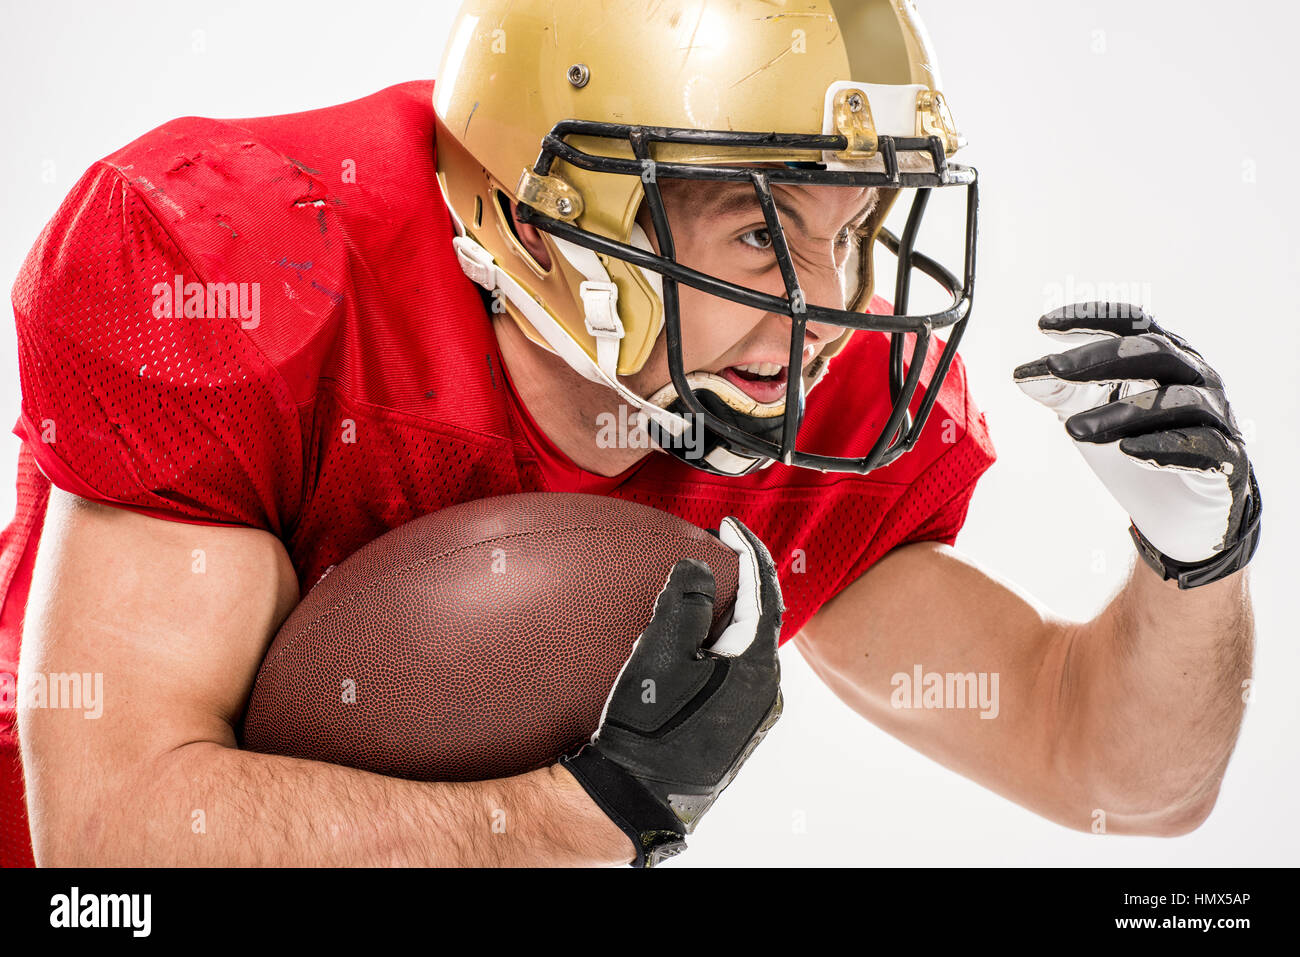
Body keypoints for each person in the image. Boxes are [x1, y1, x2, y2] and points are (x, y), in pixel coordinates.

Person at [0, 0, 1260, 867]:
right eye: (764, 235)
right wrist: (575, 820)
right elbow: (119, 843)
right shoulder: (240, 273)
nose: (824, 312)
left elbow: (1103, 766)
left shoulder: (795, 383)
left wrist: (1193, 564)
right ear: (545, 221)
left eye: (856, 231)